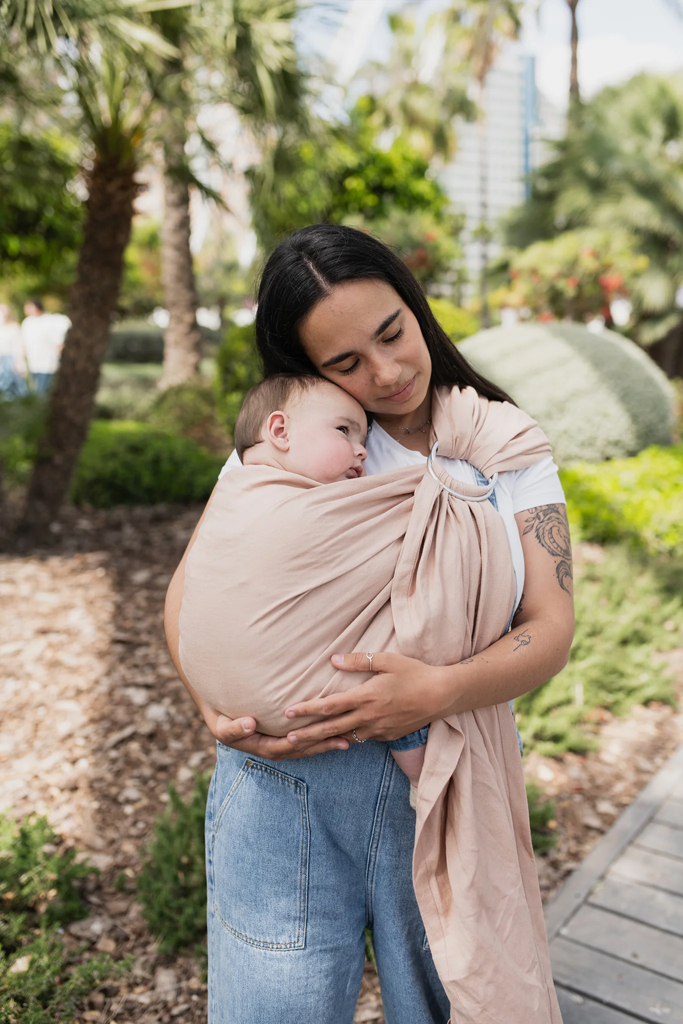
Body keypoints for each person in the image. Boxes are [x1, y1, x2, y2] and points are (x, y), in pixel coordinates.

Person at [165, 225, 574, 1024]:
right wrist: (207, 700)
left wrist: (436, 691)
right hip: (285, 786)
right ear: (307, 370)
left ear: (414, 307)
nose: (384, 374)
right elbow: (193, 588)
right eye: (344, 363)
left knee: (456, 1006)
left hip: (446, 779)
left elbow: (550, 626)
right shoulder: (301, 441)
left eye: (391, 334)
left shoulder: (501, 446)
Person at [181, 371, 429, 789]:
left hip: (224, 698)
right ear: (279, 431)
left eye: (364, 440)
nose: (361, 452)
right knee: (410, 628)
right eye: (344, 431)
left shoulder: (237, 490)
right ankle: (423, 770)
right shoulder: (256, 493)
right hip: (293, 707)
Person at [21, 299, 69, 393]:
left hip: (48, 363)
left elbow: (59, 342)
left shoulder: (50, 321)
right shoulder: (27, 323)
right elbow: (24, 343)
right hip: (33, 363)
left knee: (43, 390)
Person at [0, 304, 27, 396]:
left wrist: (18, 362)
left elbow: (19, 346)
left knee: (16, 388)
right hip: (2, 362)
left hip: (12, 360)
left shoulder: (13, 327)